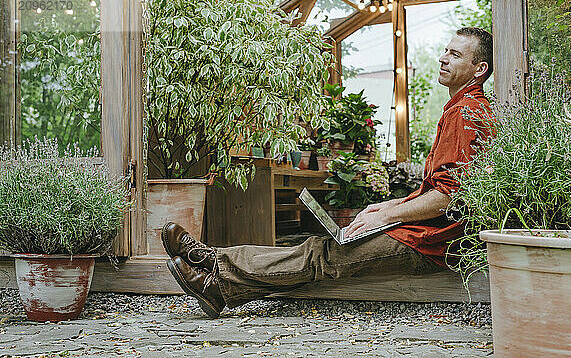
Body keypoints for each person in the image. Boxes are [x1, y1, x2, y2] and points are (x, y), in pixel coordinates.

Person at [161, 27, 494, 319]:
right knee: (322, 247)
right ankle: (217, 280)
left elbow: (451, 196)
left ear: (479, 69)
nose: (443, 58)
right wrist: (389, 207)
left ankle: (214, 268)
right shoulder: (462, 109)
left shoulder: (465, 112)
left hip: (432, 241)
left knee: (325, 254)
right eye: (445, 51)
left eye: (454, 54)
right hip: (429, 232)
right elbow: (440, 187)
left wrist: (385, 219)